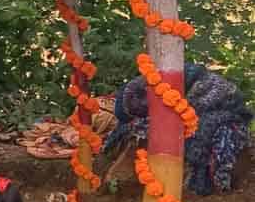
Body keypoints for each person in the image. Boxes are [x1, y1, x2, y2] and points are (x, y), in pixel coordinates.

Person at [103, 61, 252, 194]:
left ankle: (201, 178)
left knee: (192, 130)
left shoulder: (168, 87)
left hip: (218, 104)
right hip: (185, 101)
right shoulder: (144, 89)